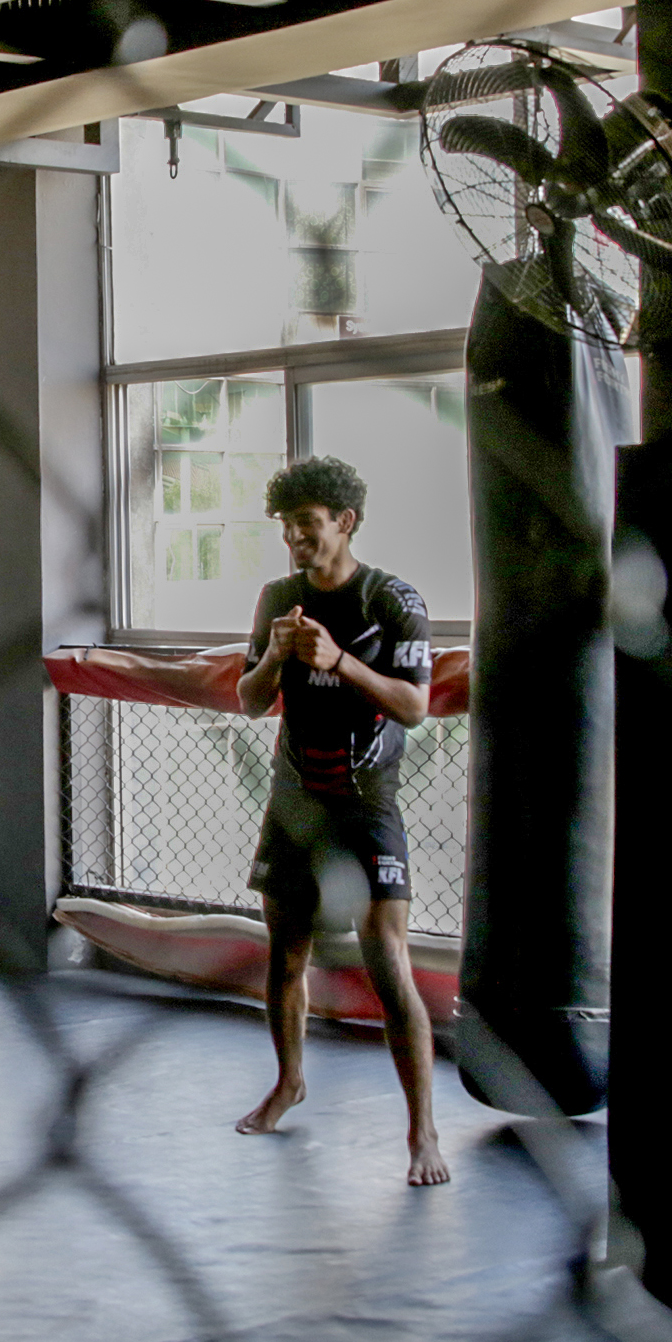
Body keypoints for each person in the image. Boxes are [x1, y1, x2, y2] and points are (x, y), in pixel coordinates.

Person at [233, 457, 449, 1188]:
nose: (296, 538)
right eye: (288, 527)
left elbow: (416, 708)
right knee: (284, 955)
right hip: (295, 800)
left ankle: (423, 1131)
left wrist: (340, 663)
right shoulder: (277, 598)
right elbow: (252, 701)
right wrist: (273, 657)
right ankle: (288, 1082)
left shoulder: (393, 599)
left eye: (309, 525)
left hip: (365, 807)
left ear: (345, 522)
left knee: (388, 964)